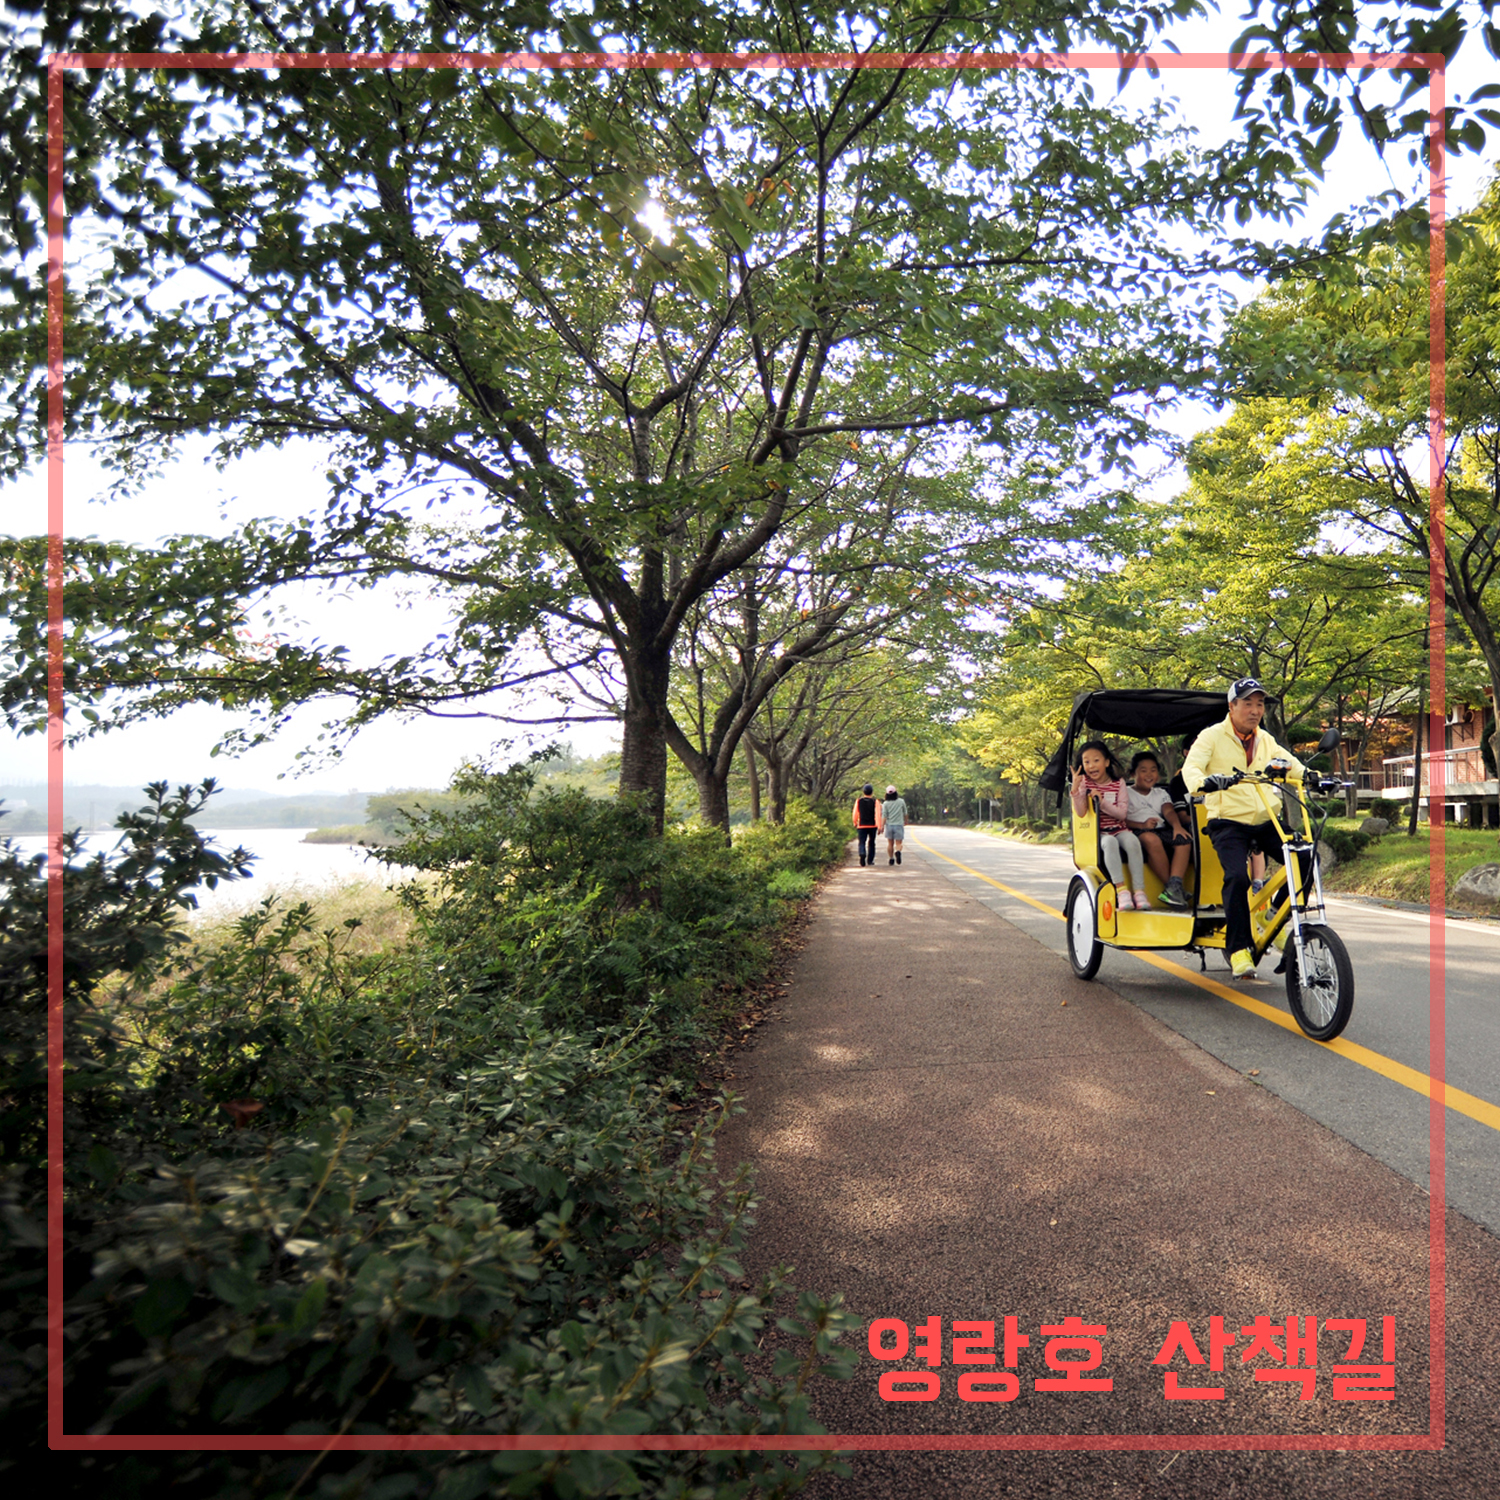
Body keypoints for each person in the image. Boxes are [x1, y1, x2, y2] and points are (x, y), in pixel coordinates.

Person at [1181, 678, 1307, 979]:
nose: (1255, 710)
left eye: (1259, 704)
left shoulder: (1265, 739)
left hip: (1265, 817)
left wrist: (1313, 776)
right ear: (1232, 706)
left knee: (1305, 856)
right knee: (1237, 877)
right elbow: (1191, 767)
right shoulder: (1211, 736)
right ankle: (1238, 949)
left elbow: (1291, 764)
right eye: (1248, 703)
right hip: (1227, 820)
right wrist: (1204, 783)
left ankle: (1271, 916)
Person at [1070, 739, 1149, 909]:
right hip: (1098, 833)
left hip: (1119, 828)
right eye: (1086, 762)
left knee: (1133, 842)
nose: (1091, 766)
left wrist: (1102, 802)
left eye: (1096, 760)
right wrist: (1076, 791)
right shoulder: (1085, 783)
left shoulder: (1118, 783)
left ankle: (1139, 891)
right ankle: (1122, 891)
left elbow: (1121, 814)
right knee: (1110, 843)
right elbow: (1081, 812)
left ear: (1106, 762)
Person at [1125, 750, 1192, 907]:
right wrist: (1142, 825)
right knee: (1151, 839)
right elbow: (1120, 818)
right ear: (1133, 774)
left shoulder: (1160, 793)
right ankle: (1172, 888)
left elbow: (1168, 811)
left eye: (1153, 770)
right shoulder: (1126, 793)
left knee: (1184, 840)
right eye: (1143, 770)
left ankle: (1174, 886)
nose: (1149, 774)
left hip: (1161, 829)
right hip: (1137, 829)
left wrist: (1177, 827)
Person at [852, 783, 883, 867]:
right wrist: (879, 826)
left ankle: (862, 853)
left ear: (863, 792)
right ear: (872, 792)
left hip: (861, 825)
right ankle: (870, 860)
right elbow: (878, 814)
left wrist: (855, 822)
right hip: (872, 825)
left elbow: (855, 813)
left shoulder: (859, 801)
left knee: (862, 842)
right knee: (872, 842)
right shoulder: (875, 801)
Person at [882, 785, 907, 865]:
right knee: (898, 843)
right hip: (899, 825)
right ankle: (898, 851)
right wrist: (906, 821)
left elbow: (884, 815)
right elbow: (905, 813)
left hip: (889, 825)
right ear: (896, 793)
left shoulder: (885, 803)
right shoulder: (901, 801)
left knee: (890, 843)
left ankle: (891, 858)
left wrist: (882, 826)